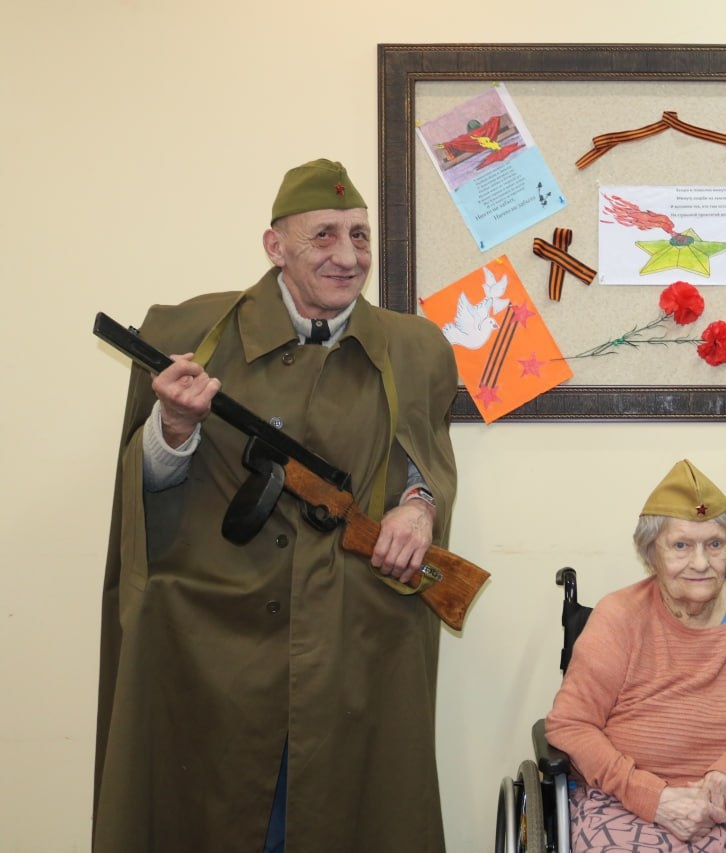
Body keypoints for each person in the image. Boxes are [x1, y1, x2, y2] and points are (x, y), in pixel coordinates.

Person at [93, 159, 459, 852]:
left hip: (353, 641)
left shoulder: (415, 348)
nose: (348, 256)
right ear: (275, 246)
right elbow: (146, 491)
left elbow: (426, 456)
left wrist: (419, 506)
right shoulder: (191, 331)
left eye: (359, 235)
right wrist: (176, 426)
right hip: (210, 645)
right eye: (324, 235)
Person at [544, 459, 726, 852]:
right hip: (627, 805)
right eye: (681, 546)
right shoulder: (618, 617)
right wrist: (651, 796)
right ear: (650, 554)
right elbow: (570, 725)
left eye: (715, 544)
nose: (701, 563)